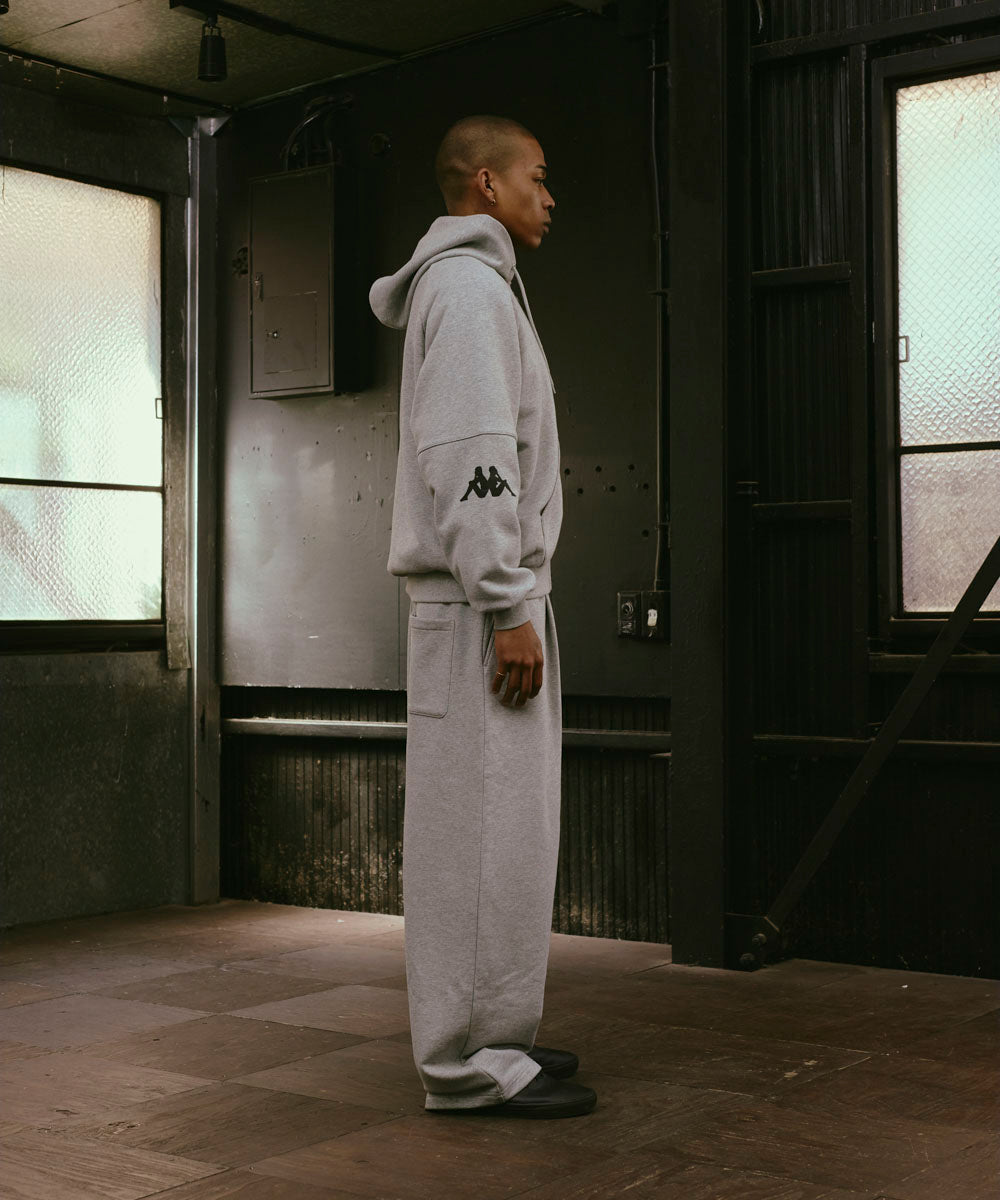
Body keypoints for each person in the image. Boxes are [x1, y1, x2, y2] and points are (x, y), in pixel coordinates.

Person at [368, 115, 596, 1119]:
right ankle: (462, 1067)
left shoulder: (480, 286)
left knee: (505, 840)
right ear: (488, 186)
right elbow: (470, 455)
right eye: (537, 177)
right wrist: (505, 603)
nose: (549, 196)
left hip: (491, 599)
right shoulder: (464, 290)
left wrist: (511, 598)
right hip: (478, 606)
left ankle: (497, 1038)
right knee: (473, 842)